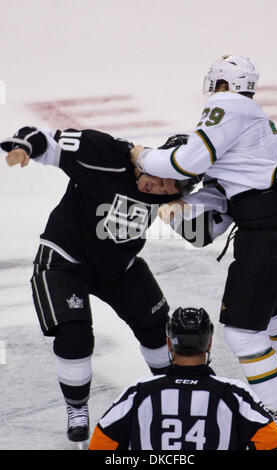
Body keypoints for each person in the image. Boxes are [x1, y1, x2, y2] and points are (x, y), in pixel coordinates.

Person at [130, 54, 277, 441]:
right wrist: (174, 210)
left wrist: (143, 156)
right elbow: (207, 227)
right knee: (276, 314)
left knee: (242, 332)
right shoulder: (253, 124)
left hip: (267, 235)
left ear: (220, 83)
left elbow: (187, 161)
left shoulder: (227, 105)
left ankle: (275, 416)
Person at [1, 127, 198, 445]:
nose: (156, 187)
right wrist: (24, 145)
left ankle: (170, 393)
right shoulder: (104, 154)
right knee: (75, 335)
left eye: (167, 189)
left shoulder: (175, 195)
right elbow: (46, 140)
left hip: (120, 266)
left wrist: (187, 211)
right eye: (160, 178)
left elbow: (200, 236)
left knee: (157, 329)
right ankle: (76, 408)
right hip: (65, 260)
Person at [89, 306, 277, 450]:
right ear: (208, 344)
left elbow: (100, 443)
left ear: (168, 343)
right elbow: (272, 442)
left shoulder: (140, 391)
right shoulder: (232, 393)